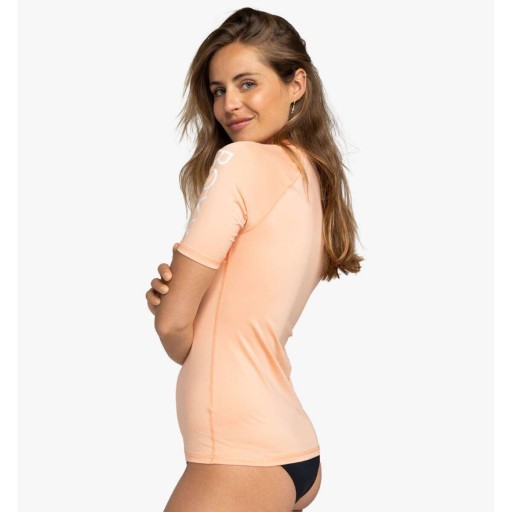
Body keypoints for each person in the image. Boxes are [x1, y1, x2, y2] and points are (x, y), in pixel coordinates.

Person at [145, 7, 363, 512]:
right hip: (285, 447)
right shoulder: (309, 176)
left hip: (241, 452)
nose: (229, 104)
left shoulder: (240, 162)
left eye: (248, 84)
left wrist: (173, 314)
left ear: (296, 84)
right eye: (218, 90)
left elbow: (176, 333)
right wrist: (187, 309)